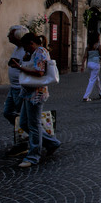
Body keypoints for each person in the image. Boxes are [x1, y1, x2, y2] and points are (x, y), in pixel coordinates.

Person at [10, 33, 61, 167]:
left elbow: (39, 72)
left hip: (36, 93)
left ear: (32, 43)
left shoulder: (40, 52)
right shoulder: (34, 52)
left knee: (33, 125)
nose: (26, 50)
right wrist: (26, 60)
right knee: (24, 123)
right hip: (29, 92)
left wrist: (20, 67)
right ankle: (52, 142)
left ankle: (33, 156)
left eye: (26, 47)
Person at [3, 25, 28, 125]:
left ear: (18, 36)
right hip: (13, 87)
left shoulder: (26, 50)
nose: (8, 36)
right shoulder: (17, 49)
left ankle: (27, 131)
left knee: (24, 114)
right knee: (7, 112)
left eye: (11, 34)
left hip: (20, 87)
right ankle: (22, 128)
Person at [81, 34, 101, 102]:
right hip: (96, 64)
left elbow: (85, 56)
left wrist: (83, 65)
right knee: (92, 80)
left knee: (96, 79)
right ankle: (86, 96)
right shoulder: (98, 46)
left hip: (89, 64)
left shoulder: (88, 46)